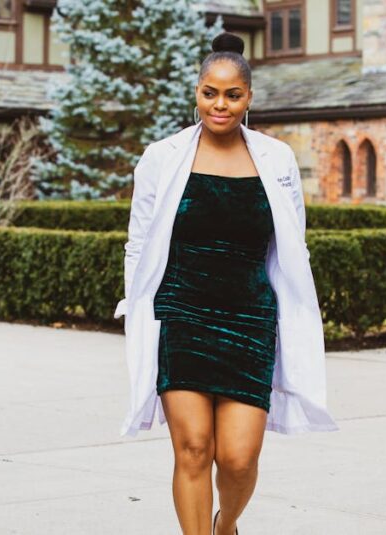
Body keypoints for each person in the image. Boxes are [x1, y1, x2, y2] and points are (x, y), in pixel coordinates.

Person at [115, 32, 339, 535]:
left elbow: (291, 246)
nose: (220, 104)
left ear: (248, 98)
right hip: (182, 311)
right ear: (196, 93)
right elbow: (138, 242)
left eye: (232, 94)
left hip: (249, 316)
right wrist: (138, 308)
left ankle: (226, 524)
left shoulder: (277, 160)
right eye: (210, 93)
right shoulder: (162, 157)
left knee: (238, 459)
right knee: (193, 447)